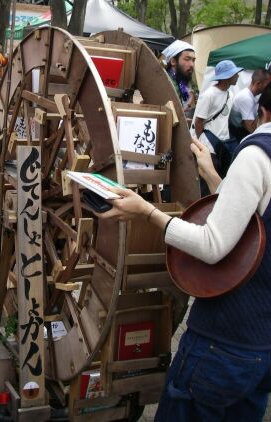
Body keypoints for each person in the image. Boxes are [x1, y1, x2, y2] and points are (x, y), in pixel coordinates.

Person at [99, 82, 271, 421]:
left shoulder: (256, 155)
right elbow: (255, 221)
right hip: (261, 346)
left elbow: (213, 245)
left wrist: (146, 212)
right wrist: (213, 176)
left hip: (222, 341)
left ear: (261, 111)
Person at [192, 59, 243, 179]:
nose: (238, 76)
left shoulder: (230, 95)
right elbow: (198, 121)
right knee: (208, 180)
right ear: (227, 77)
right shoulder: (209, 95)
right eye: (235, 74)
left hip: (223, 145)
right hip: (209, 147)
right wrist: (200, 144)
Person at [229, 68, 271, 140]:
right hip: (237, 135)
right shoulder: (246, 98)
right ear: (258, 83)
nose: (269, 88)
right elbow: (251, 129)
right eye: (267, 85)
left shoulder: (252, 96)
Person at [162, 39, 196, 117]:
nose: (191, 64)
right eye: (187, 59)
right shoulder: (165, 82)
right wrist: (190, 101)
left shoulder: (184, 82)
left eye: (193, 60)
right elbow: (170, 114)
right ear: (173, 61)